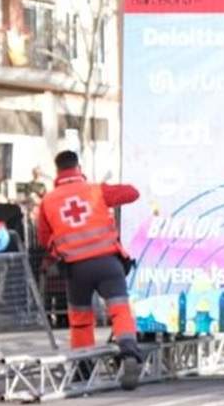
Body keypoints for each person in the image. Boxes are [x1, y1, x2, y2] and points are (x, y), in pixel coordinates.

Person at [36, 150, 147, 388]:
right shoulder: (96, 190)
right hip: (108, 264)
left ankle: (84, 368)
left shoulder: (48, 200)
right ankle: (129, 353)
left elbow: (44, 238)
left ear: (57, 170)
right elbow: (132, 193)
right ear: (78, 167)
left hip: (76, 270)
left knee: (81, 320)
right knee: (120, 311)